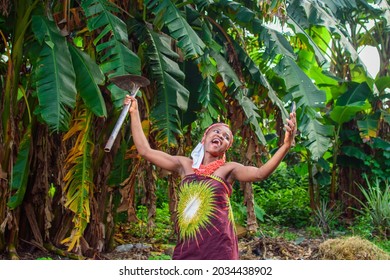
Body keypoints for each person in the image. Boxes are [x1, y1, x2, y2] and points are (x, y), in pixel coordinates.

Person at [124, 95, 297, 260]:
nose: (220, 136)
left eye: (226, 137)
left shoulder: (228, 169)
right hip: (187, 248)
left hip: (219, 249)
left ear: (227, 147)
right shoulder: (185, 165)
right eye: (216, 131)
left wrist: (286, 145)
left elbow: (260, 173)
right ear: (204, 137)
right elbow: (145, 151)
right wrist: (134, 112)